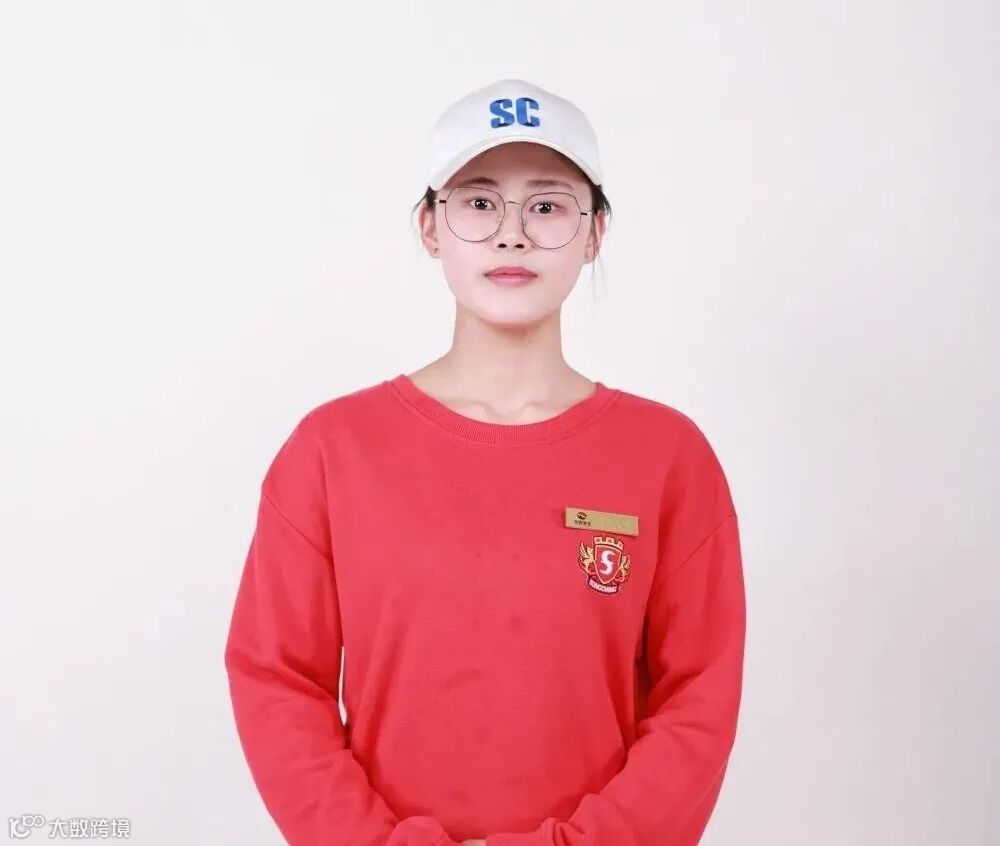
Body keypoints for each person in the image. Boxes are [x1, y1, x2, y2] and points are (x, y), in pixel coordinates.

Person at [224, 78, 746, 846]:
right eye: (478, 202)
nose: (512, 235)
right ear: (430, 227)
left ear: (595, 232)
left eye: (547, 206)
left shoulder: (668, 457)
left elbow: (698, 698)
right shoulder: (333, 451)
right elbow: (277, 681)